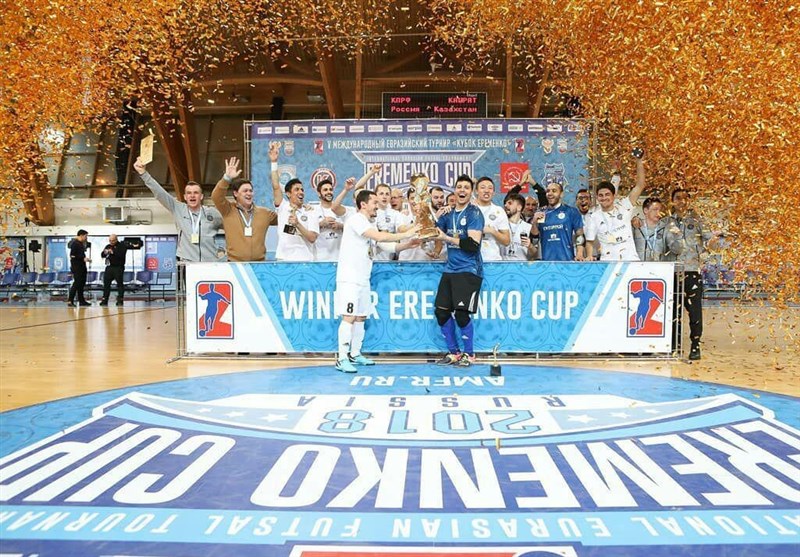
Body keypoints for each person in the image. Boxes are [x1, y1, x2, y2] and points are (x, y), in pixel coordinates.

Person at [335, 190, 420, 372]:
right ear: (363, 204)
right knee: (349, 317)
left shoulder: (369, 224)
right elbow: (381, 237)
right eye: (374, 202)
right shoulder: (356, 220)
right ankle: (341, 358)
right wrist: (409, 232)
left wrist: (408, 244)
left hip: (363, 279)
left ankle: (355, 354)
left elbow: (386, 246)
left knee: (360, 317)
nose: (378, 206)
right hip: (349, 279)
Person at [433, 175, 485, 366]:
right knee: (441, 312)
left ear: (471, 192)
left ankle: (469, 354)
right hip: (450, 269)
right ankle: (454, 352)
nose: (462, 190)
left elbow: (472, 244)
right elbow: (431, 232)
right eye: (459, 187)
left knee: (462, 314)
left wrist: (447, 239)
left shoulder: (474, 213)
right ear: (454, 190)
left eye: (466, 187)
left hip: (468, 269)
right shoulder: (448, 213)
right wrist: (436, 216)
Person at [663, 188, 721, 360]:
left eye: (685, 198)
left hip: (691, 271)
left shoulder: (697, 220)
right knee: (673, 311)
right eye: (677, 198)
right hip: (672, 272)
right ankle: (674, 345)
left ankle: (695, 345)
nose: (681, 201)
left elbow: (711, 243)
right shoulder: (666, 221)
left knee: (694, 311)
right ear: (672, 200)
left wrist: (714, 240)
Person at [134, 158, 224, 262]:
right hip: (187, 263)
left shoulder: (212, 212)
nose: (192, 196)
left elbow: (231, 227)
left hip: (210, 263)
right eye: (189, 193)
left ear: (201, 196)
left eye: (196, 193)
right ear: (185, 197)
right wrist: (144, 174)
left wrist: (226, 254)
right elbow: (160, 193)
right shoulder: (178, 209)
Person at [212, 156, 278, 262]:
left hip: (259, 265)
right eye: (245, 191)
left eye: (251, 191)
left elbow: (284, 219)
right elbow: (216, 197)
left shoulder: (265, 213)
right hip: (235, 265)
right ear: (235, 193)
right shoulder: (227, 210)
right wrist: (226, 178)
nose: (249, 193)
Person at [585, 158, 646, 261]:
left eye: (607, 194)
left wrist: (639, 161)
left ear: (614, 196)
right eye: (601, 195)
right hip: (607, 263)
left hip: (630, 261)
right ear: (597, 197)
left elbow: (640, 185)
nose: (604, 198)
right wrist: (589, 255)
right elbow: (589, 241)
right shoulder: (594, 216)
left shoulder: (624, 206)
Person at [270, 143, 319, 261]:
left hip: (305, 260)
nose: (301, 192)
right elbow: (276, 186)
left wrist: (297, 224)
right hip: (284, 259)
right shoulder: (282, 207)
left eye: (302, 190)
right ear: (288, 193)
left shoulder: (310, 211)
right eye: (296, 189)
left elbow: (312, 238)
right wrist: (274, 162)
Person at [532, 182, 586, 261]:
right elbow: (535, 238)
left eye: (554, 191)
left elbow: (580, 235)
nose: (550, 193)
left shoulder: (571, 211)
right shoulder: (541, 213)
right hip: (546, 262)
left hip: (567, 260)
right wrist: (534, 223)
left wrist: (579, 254)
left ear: (561, 194)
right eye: (548, 191)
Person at [632, 197, 684, 262]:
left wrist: (678, 236)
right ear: (645, 210)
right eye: (655, 209)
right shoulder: (636, 227)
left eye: (660, 210)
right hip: (637, 266)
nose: (658, 212)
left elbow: (678, 250)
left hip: (659, 266)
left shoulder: (665, 228)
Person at [474, 177, 510, 261]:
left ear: (493, 193)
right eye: (483, 187)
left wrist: (493, 231)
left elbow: (506, 241)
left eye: (490, 188)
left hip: (492, 260)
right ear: (476, 191)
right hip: (471, 261)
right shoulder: (469, 209)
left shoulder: (499, 211)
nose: (486, 191)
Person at [99, 234, 134, 306]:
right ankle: (105, 300)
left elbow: (121, 255)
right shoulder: (108, 246)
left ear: (116, 239)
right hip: (109, 267)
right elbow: (102, 255)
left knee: (119, 284)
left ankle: (120, 300)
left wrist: (113, 252)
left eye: (112, 240)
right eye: (110, 240)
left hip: (118, 267)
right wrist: (105, 252)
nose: (111, 242)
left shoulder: (122, 246)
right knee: (106, 284)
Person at [374, 182, 403, 261]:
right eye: (381, 194)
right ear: (375, 196)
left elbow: (401, 229)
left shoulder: (395, 214)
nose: (384, 197)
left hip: (390, 259)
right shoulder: (370, 212)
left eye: (387, 194)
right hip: (373, 258)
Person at [502, 193, 536, 261]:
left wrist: (530, 246)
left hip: (521, 266)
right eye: (505, 203)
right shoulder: (500, 225)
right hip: (502, 266)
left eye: (510, 203)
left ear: (519, 207)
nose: (506, 205)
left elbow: (535, 255)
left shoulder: (529, 228)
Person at [67, 229, 91, 307]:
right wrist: (82, 258)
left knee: (81, 284)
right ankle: (70, 300)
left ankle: (81, 300)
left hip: (82, 267)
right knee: (77, 283)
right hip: (77, 267)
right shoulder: (75, 244)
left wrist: (85, 259)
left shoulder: (81, 244)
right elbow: (72, 255)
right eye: (86, 236)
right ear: (81, 235)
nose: (86, 238)